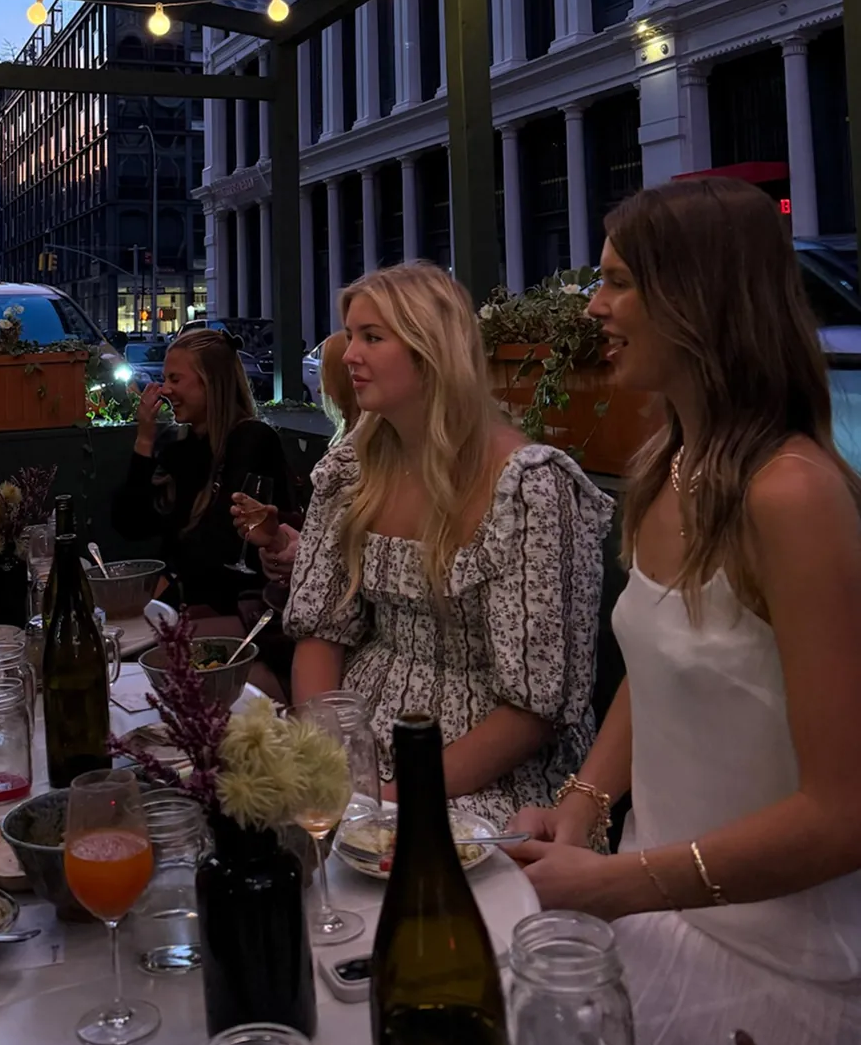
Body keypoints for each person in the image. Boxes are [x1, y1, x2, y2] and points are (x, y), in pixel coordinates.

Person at [508, 180, 861, 1045]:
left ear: (698, 298)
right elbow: (662, 664)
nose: (594, 307)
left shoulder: (793, 495)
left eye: (619, 281)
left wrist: (617, 885)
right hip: (653, 913)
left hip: (775, 971)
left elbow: (844, 814)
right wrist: (584, 808)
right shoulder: (664, 466)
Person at [285, 263, 610, 825]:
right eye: (351, 335)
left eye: (372, 337)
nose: (347, 355)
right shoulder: (353, 469)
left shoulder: (528, 487)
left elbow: (534, 710)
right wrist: (326, 762)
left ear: (430, 353)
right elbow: (320, 629)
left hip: (481, 769)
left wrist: (392, 799)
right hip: (361, 742)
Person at [111, 327, 299, 618]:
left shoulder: (252, 439)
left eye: (175, 379)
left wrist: (171, 583)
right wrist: (144, 440)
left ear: (210, 383)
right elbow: (131, 524)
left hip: (235, 611)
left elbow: (223, 543)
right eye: (164, 379)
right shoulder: (183, 446)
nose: (164, 389)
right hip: (182, 607)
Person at [231, 329, 359, 587]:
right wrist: (280, 540)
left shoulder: (357, 459)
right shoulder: (347, 450)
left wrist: (298, 553)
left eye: (328, 377)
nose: (321, 389)